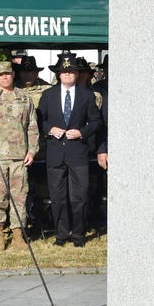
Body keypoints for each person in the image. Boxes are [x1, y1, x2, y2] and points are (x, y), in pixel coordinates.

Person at [36, 56, 101, 247]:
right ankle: (61, 234)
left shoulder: (86, 95)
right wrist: (50, 130)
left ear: (77, 74)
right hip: (55, 153)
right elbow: (40, 120)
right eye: (64, 72)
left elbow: (96, 122)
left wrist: (82, 132)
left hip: (78, 154)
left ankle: (79, 235)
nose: (67, 74)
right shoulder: (48, 95)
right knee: (58, 198)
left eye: (71, 71)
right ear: (58, 74)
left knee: (79, 197)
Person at [0, 61, 39, 251]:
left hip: (19, 156)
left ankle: (18, 233)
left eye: (8, 74)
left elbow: (32, 126)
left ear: (13, 74)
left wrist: (32, 150)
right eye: (1, 74)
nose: (5, 77)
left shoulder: (24, 97)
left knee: (19, 196)